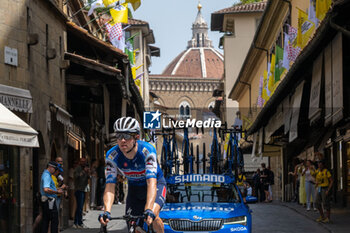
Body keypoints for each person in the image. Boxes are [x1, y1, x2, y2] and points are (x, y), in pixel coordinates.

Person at [98, 117, 167, 233]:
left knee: (153, 216)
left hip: (155, 185)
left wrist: (148, 209)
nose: (122, 140)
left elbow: (151, 182)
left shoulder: (147, 150)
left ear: (137, 137)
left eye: (127, 136)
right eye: (119, 136)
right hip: (134, 188)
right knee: (132, 224)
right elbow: (110, 186)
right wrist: (107, 211)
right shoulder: (112, 155)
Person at [40, 161, 64, 233]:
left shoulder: (47, 175)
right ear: (50, 167)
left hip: (48, 200)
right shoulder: (47, 175)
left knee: (46, 220)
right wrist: (57, 192)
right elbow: (46, 189)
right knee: (54, 220)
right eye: (55, 169)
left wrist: (57, 189)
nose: (55, 171)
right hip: (49, 200)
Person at [73, 158, 90, 229]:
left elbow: (88, 178)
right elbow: (76, 176)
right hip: (78, 189)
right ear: (80, 162)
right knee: (79, 207)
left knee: (80, 207)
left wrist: (88, 172)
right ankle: (78, 222)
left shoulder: (85, 169)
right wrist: (83, 172)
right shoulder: (77, 169)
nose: (83, 163)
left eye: (84, 161)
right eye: (82, 161)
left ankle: (77, 222)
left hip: (83, 189)